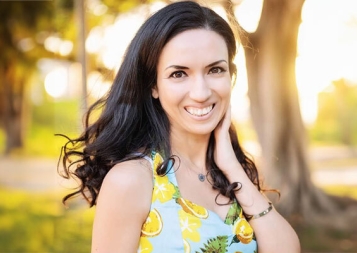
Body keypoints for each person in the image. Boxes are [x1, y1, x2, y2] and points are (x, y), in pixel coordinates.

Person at [59, 1, 300, 252]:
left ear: (231, 77)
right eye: (179, 74)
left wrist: (230, 166)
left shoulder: (231, 174)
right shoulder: (132, 180)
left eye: (215, 70)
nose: (201, 93)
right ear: (153, 86)